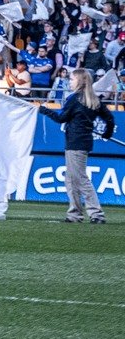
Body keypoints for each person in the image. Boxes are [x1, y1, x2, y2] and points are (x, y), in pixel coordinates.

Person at [41, 67, 114, 224]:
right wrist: (107, 133)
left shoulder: (74, 99)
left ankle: (96, 214)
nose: (70, 82)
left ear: (80, 81)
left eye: (72, 79)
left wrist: (44, 110)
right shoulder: (93, 99)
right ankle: (74, 214)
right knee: (71, 179)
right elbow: (109, 119)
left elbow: (61, 118)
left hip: (75, 142)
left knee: (80, 179)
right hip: (82, 141)